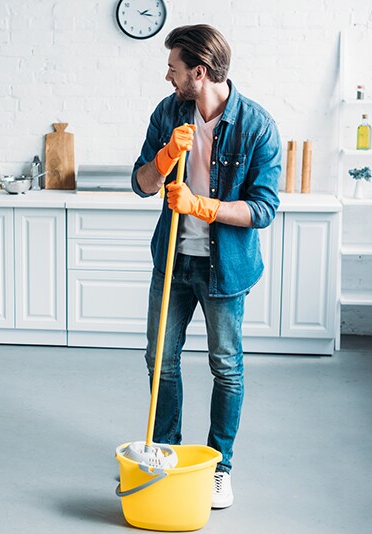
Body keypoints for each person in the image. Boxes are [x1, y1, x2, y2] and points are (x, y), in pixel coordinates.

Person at [131, 24, 281, 508]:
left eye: (173, 69)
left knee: (226, 368)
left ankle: (220, 467)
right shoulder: (169, 112)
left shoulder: (257, 125)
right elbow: (142, 183)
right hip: (173, 261)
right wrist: (167, 154)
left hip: (226, 269)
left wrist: (203, 207)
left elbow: (263, 209)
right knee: (161, 362)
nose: (167, 77)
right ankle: (167, 455)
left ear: (199, 72)